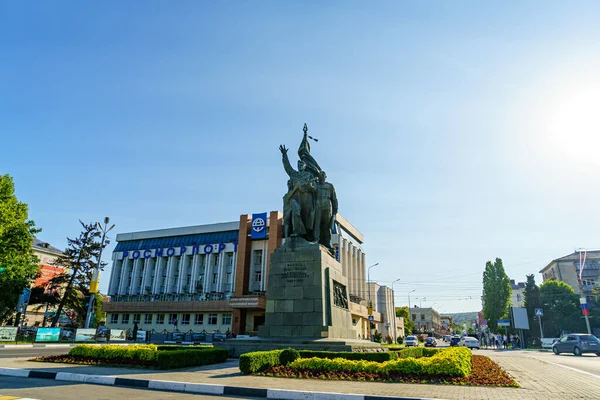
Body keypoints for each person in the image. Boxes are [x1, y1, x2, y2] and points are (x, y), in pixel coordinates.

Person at [280, 145, 317, 240]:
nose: (300, 166)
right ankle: (296, 232)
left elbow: (314, 189)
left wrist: (309, 187)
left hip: (307, 199)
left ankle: (307, 235)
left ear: (305, 166)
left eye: (302, 165)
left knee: (307, 217)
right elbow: (287, 167)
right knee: (296, 213)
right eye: (299, 165)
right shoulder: (294, 175)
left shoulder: (309, 175)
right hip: (296, 198)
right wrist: (284, 155)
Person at [313, 171, 338, 252]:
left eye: (323, 175)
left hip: (327, 208)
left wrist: (335, 211)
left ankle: (327, 242)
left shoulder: (329, 186)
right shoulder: (315, 185)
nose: (321, 177)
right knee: (317, 224)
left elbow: (334, 199)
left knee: (327, 226)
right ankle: (316, 239)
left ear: (325, 177)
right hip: (317, 207)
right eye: (320, 175)